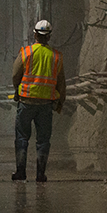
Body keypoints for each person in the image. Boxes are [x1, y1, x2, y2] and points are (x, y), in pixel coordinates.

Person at [11, 20, 66, 182]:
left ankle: (21, 172)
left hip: (26, 101)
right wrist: (60, 101)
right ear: (49, 37)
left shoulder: (26, 52)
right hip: (45, 104)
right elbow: (61, 82)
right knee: (43, 140)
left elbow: (15, 75)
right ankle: (40, 174)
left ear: (34, 34)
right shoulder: (56, 56)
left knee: (22, 137)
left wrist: (18, 90)